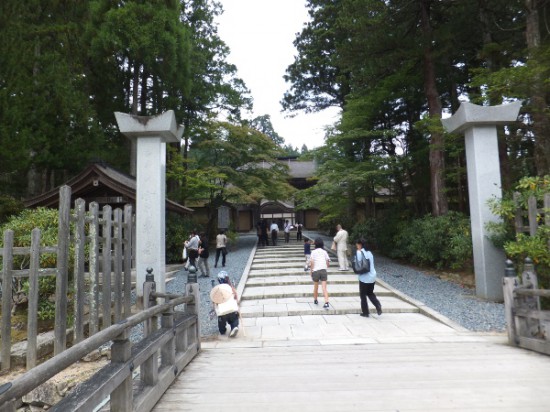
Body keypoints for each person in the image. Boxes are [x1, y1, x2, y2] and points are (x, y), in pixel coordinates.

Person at [355, 239, 382, 317]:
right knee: (370, 293)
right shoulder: (370, 253)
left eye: (357, 244)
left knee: (363, 295)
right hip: (372, 275)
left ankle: (365, 312)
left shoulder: (359, 252)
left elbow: (358, 263)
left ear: (360, 245)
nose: (356, 246)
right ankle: (377, 305)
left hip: (364, 277)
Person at [212, 271, 239, 337]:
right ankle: (234, 327)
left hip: (222, 312)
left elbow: (214, 301)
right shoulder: (231, 288)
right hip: (232, 310)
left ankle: (223, 331)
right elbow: (236, 298)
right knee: (234, 319)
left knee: (221, 323)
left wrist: (214, 309)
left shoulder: (217, 289)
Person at [310, 238, 331, 309]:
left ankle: (315, 299)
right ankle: (326, 302)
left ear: (315, 244)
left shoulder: (313, 252)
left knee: (316, 287)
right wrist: (325, 266)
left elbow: (312, 262)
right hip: (323, 270)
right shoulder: (324, 252)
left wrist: (311, 271)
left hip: (316, 271)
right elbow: (328, 263)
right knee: (324, 287)